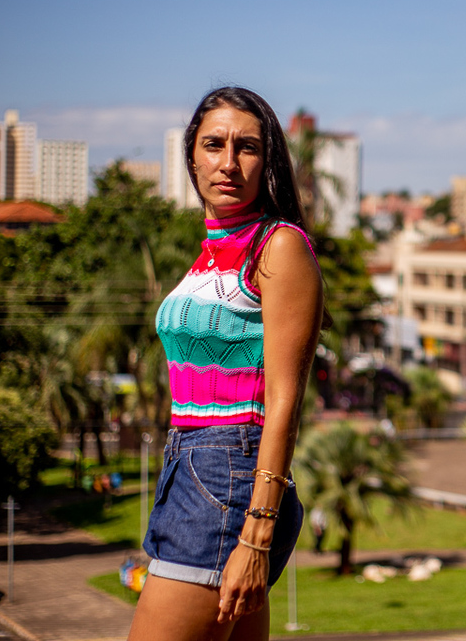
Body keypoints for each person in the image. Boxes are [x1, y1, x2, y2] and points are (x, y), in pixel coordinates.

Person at [128, 87, 323, 641]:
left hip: (230, 479)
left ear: (270, 161)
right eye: (214, 145)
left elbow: (283, 403)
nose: (228, 163)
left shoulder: (278, 246)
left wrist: (257, 535)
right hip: (191, 469)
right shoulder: (214, 247)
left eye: (248, 148)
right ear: (191, 155)